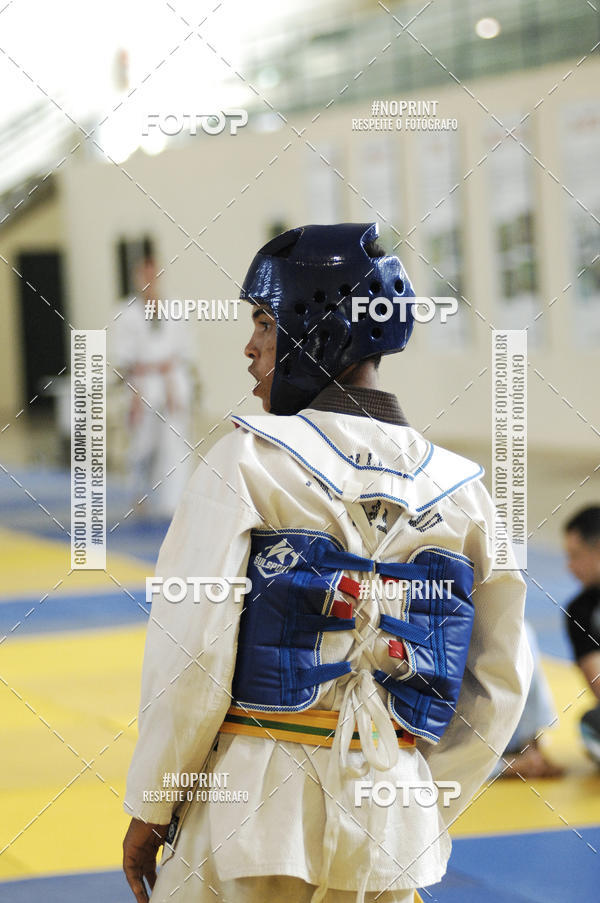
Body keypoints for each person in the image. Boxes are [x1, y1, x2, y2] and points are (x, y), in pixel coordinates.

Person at [122, 223, 532, 903]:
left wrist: (153, 801)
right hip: (392, 832)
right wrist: (413, 797)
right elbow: (499, 687)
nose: (249, 347)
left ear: (319, 331)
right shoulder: (466, 494)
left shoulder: (246, 462)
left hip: (250, 818)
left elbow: (192, 653)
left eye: (265, 322)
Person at [112, 255, 195, 518]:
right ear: (138, 278)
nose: (149, 281)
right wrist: (135, 392)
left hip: (172, 381)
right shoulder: (126, 312)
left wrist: (179, 384)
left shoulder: (176, 307)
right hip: (143, 382)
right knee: (142, 445)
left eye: (153, 275)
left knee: (176, 442)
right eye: (144, 275)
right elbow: (124, 359)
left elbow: (186, 351)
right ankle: (138, 494)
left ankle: (175, 502)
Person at [495, 622, 563, 779]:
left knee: (522, 633)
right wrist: (504, 767)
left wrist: (530, 745)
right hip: (461, 748)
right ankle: (505, 763)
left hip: (509, 738)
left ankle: (529, 746)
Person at [563, 506, 600, 763]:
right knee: (592, 723)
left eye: (575, 556)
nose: (571, 568)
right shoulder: (582, 610)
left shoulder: (583, 610)